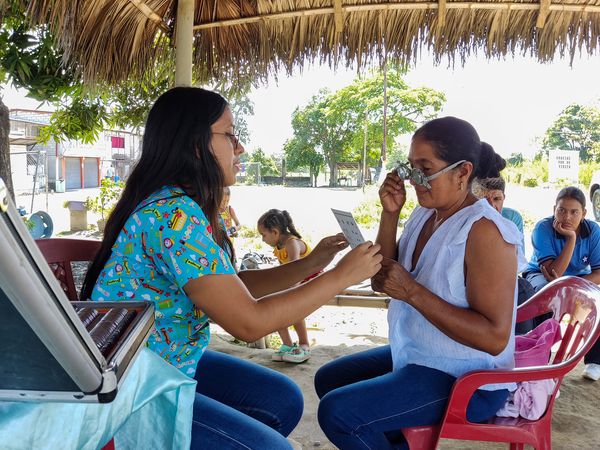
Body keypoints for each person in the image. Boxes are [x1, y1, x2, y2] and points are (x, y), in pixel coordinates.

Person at [80, 87, 383, 450]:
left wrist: (312, 264)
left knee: (282, 400)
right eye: (230, 135)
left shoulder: (177, 205)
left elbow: (232, 286)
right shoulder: (173, 215)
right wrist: (340, 277)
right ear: (196, 144)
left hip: (167, 362)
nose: (240, 147)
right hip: (136, 383)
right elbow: (248, 323)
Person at [315, 116, 520, 450]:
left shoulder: (485, 231)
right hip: (422, 354)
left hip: (468, 378)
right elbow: (384, 276)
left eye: (425, 169)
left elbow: (494, 338)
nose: (413, 180)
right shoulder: (426, 213)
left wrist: (412, 292)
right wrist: (390, 213)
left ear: (463, 172)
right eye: (410, 168)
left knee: (339, 413)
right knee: (330, 379)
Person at [523, 186, 600, 381]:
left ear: (584, 213)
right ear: (554, 210)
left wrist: (571, 285)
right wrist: (571, 238)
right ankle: (541, 361)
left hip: (577, 277)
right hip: (540, 274)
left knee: (597, 300)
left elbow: (599, 273)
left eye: (574, 212)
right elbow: (552, 273)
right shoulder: (543, 228)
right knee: (546, 295)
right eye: (562, 210)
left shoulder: (593, 231)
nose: (567, 217)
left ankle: (595, 361)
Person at [472, 176, 535, 334]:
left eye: (497, 199)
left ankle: (522, 342)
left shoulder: (511, 219)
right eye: (483, 200)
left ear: (504, 198)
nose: (491, 206)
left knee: (523, 289)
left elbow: (516, 264)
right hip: (473, 280)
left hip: (502, 278)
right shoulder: (468, 218)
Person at [258, 209, 314, 363]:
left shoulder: (292, 243)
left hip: (308, 281)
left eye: (264, 235)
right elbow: (283, 271)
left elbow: (295, 271)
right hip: (293, 282)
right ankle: (287, 344)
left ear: (275, 232)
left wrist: (287, 291)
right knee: (274, 308)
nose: (262, 239)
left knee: (295, 310)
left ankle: (304, 344)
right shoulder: (279, 246)